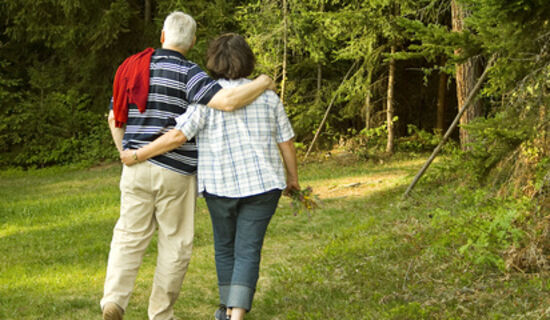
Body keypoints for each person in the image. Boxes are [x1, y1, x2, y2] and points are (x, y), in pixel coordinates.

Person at [102, 12, 275, 320]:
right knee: (175, 243)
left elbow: (115, 117)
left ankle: (114, 300)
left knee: (128, 235)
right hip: (176, 172)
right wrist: (262, 82)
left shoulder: (133, 66)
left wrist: (127, 155)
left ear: (162, 36)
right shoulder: (190, 73)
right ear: (193, 41)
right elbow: (229, 101)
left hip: (135, 169)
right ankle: (161, 314)